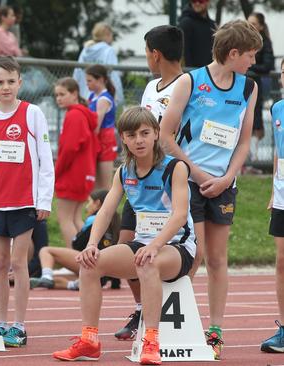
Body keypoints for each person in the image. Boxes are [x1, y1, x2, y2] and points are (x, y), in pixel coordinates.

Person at [53, 106, 196, 365]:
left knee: (147, 261)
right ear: (123, 139)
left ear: (155, 134)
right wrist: (92, 244)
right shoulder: (124, 171)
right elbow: (106, 210)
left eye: (144, 133)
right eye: (132, 135)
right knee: (89, 264)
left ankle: (151, 342)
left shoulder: (175, 168)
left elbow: (179, 215)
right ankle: (89, 341)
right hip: (143, 244)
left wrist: (155, 244)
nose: (139, 140)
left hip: (178, 247)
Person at [159, 19, 261, 359]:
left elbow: (244, 142)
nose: (253, 61)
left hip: (223, 184)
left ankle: (215, 330)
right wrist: (199, 174)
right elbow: (165, 136)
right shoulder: (191, 81)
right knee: (194, 255)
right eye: (250, 55)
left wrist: (228, 177)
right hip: (188, 182)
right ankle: (174, 326)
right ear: (233, 53)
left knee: (217, 259)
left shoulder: (248, 87)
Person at [0, 56, 54, 347]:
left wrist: (44, 199)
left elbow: (45, 159)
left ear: (19, 82)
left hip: (24, 202)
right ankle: (1, 322)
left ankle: (19, 324)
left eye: (10, 81)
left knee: (19, 263)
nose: (5, 87)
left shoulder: (32, 114)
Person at [115, 24, 185, 342]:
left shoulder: (187, 86)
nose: (146, 58)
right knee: (127, 242)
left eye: (145, 52)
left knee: (179, 249)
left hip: (171, 180)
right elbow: (140, 128)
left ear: (154, 54)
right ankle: (142, 307)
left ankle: (178, 315)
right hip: (140, 181)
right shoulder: (150, 88)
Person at [30, 189, 119, 290]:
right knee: (60, 278)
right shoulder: (116, 220)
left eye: (89, 202)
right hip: (110, 269)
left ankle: (46, 277)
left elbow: (76, 244)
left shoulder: (94, 219)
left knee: (45, 250)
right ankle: (73, 284)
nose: (87, 206)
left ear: (97, 203)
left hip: (93, 263)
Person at [53, 77, 98, 247]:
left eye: (62, 94)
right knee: (76, 219)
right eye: (57, 95)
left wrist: (56, 173)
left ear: (75, 94)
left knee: (65, 219)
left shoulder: (74, 115)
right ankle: (86, 258)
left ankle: (75, 260)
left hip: (72, 175)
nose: (59, 98)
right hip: (84, 175)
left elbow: (69, 149)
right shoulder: (84, 114)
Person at [262, 59, 284, 354]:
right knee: (282, 262)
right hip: (282, 193)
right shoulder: (277, 108)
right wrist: (272, 190)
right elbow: (279, 151)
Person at [247, 12, 274, 167]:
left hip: (257, 86)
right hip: (246, 85)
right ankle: (247, 161)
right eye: (248, 23)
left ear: (261, 26)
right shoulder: (243, 41)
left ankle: (253, 160)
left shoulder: (265, 43)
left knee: (256, 122)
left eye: (254, 24)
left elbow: (267, 65)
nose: (251, 26)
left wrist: (250, 66)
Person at [73, 22, 124, 106]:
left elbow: (77, 73)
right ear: (107, 35)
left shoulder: (86, 50)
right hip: (101, 97)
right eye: (111, 35)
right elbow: (114, 74)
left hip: (84, 97)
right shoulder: (108, 50)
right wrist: (118, 97)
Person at [85, 64, 116, 191]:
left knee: (105, 186)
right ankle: (96, 210)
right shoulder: (93, 96)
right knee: (95, 185)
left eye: (90, 81)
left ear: (101, 80)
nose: (87, 84)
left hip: (105, 141)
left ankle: (108, 210)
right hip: (96, 139)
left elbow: (96, 127)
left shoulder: (103, 99)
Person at [178, 0, 216, 68]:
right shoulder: (185, 23)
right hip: (191, 73)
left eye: (201, 1)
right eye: (194, 1)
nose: (197, 3)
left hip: (210, 73)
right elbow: (182, 53)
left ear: (208, 2)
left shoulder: (212, 25)